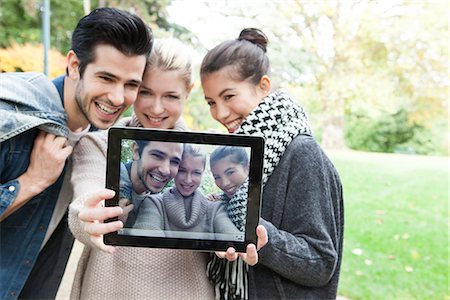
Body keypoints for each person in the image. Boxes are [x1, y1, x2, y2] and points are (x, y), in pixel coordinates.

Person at [68, 38, 265, 300]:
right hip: (110, 288)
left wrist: (236, 239)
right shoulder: (99, 144)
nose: (156, 108)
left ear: (188, 92)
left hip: (186, 290)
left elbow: (217, 214)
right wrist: (89, 216)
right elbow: (85, 194)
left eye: (170, 96)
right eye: (145, 92)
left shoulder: (198, 152)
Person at [0, 7, 153, 299]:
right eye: (106, 78)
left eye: (131, 84)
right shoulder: (13, 115)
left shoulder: (100, 143)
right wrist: (31, 182)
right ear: (74, 65)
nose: (118, 97)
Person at [200, 28, 344, 299]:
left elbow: (321, 262)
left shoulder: (302, 154)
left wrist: (263, 238)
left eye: (229, 96)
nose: (219, 113)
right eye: (210, 102)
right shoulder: (239, 154)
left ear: (263, 86)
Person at [133, 144, 240, 238]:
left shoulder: (215, 208)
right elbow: (145, 233)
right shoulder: (154, 203)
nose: (188, 180)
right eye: (182, 171)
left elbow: (231, 234)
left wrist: (238, 245)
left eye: (196, 173)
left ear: (202, 174)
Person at [118, 139, 184, 226]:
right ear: (136, 151)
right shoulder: (106, 180)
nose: (166, 171)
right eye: (157, 156)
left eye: (174, 162)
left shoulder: (159, 203)